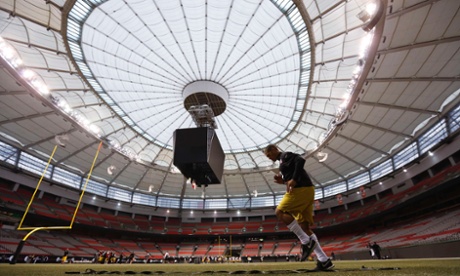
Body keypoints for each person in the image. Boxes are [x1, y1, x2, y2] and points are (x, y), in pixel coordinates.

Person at [264, 144, 334, 271]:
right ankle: (324, 260)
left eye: (269, 155)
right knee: (305, 227)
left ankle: (306, 242)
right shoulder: (282, 160)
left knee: (279, 211)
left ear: (274, 149)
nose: (269, 158)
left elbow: (300, 160)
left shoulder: (285, 155)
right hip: (307, 190)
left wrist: (294, 179)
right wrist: (284, 180)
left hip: (301, 190)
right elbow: (293, 175)